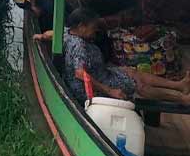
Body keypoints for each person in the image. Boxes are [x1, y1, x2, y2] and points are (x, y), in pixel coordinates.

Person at [34, 8, 190, 105]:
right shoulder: (78, 45)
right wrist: (110, 91)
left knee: (131, 72)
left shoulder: (67, 32)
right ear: (81, 26)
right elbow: (80, 74)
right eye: (92, 28)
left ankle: (179, 86)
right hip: (91, 86)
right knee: (139, 86)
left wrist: (41, 36)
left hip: (102, 72)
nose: (95, 31)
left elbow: (51, 34)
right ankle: (182, 99)